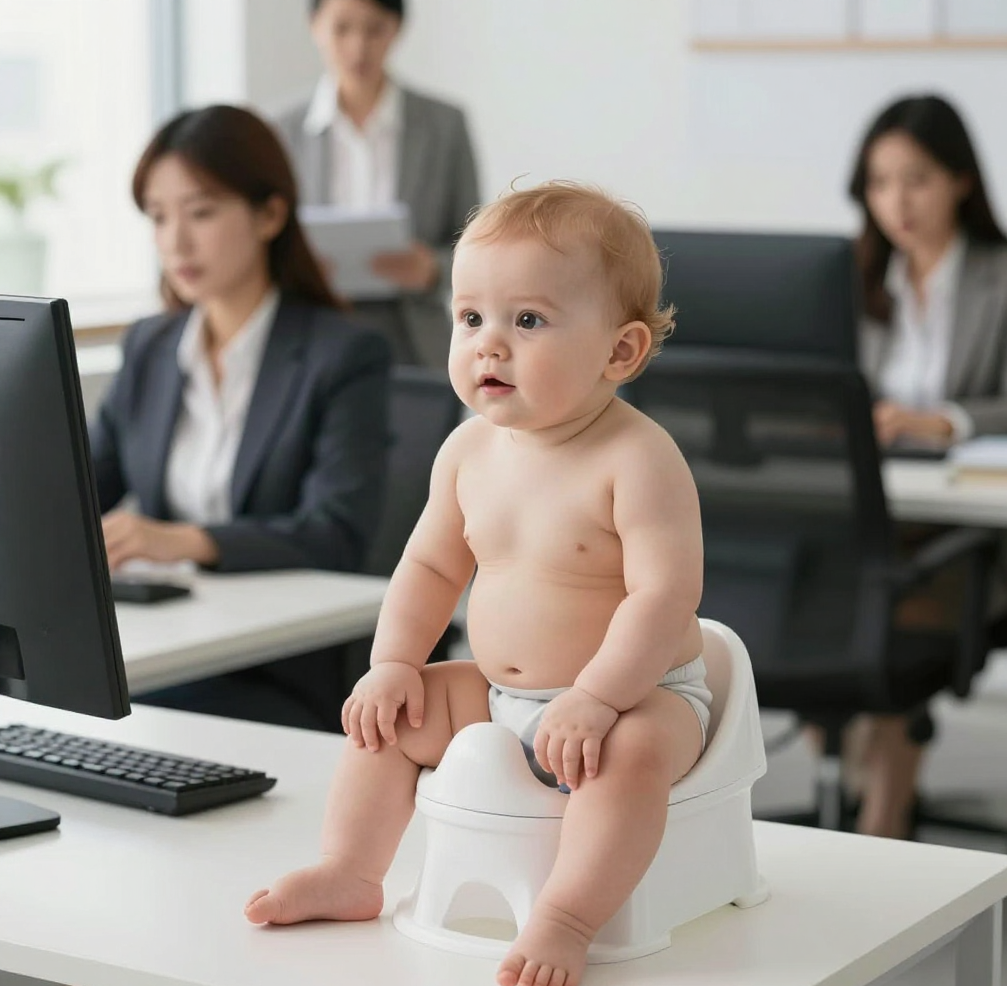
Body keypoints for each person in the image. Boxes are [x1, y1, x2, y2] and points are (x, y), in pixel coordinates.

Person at [243, 181, 712, 986]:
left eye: (527, 320)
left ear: (619, 352)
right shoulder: (466, 452)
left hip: (641, 694)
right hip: (499, 693)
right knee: (392, 717)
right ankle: (352, 872)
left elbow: (664, 598)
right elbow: (428, 567)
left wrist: (598, 697)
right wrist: (392, 662)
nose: (489, 345)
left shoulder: (637, 458)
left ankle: (566, 917)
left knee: (628, 759)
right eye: (470, 318)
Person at [90, 104, 391, 731]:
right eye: (158, 216)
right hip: (170, 638)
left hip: (279, 665)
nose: (176, 241)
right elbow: (82, 487)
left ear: (270, 214)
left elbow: (336, 531)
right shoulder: (150, 345)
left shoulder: (344, 355)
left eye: (200, 212)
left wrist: (183, 540)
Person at [843, 93, 1007, 839]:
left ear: (960, 179)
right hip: (881, 518)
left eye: (915, 178)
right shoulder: (856, 279)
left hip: (973, 534)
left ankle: (879, 828)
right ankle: (859, 796)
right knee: (827, 585)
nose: (897, 203)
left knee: (880, 611)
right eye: (879, 183)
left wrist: (940, 421)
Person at [273, 0, 480, 370]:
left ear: (397, 29)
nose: (358, 47)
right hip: (311, 330)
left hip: (412, 334)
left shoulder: (444, 125)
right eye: (342, 29)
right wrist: (298, 267)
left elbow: (476, 243)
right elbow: (265, 240)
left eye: (374, 29)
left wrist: (431, 268)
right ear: (314, 27)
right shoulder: (281, 130)